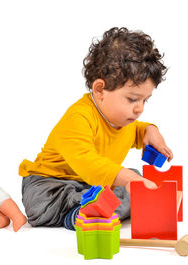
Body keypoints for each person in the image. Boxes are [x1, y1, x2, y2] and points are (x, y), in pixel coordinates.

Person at [19, 27, 173, 230]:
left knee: (134, 177)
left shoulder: (122, 117)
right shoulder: (78, 118)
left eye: (145, 100)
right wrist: (129, 179)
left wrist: (149, 131)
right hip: (51, 188)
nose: (140, 109)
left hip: (88, 185)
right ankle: (78, 215)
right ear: (100, 89)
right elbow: (88, 163)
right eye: (132, 99)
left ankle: (98, 208)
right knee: (128, 180)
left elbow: (135, 130)